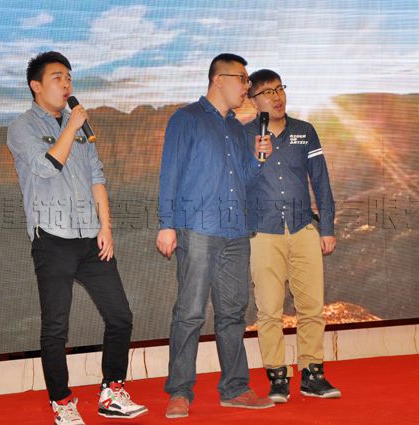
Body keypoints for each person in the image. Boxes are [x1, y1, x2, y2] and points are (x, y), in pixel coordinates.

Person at [6, 51, 147, 425]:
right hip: (52, 238)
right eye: (57, 77)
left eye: (69, 77)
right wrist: (71, 127)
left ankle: (112, 392)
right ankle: (62, 402)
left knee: (120, 316)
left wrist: (106, 227)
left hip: (90, 237)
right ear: (36, 86)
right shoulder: (22, 127)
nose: (66, 83)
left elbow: (96, 177)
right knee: (56, 326)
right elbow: (45, 167)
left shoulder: (79, 126)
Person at [156, 53, 275, 419]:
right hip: (198, 229)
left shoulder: (238, 129)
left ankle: (235, 389)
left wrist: (258, 160)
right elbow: (170, 172)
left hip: (236, 231)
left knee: (233, 314)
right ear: (219, 79)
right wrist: (166, 223)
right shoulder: (186, 119)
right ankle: (179, 392)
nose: (247, 87)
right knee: (190, 313)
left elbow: (244, 179)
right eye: (242, 79)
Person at [244, 69, 341, 403]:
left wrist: (326, 228)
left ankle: (313, 375)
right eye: (267, 92)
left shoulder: (305, 131)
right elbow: (236, 183)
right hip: (263, 233)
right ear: (253, 100)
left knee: (311, 307)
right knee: (269, 311)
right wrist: (256, 158)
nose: (277, 97)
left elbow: (321, 181)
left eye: (279, 89)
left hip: (303, 230)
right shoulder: (244, 136)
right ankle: (277, 377)